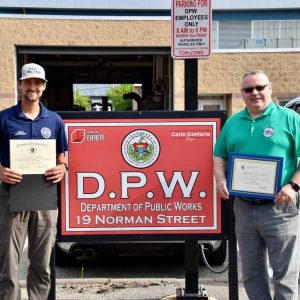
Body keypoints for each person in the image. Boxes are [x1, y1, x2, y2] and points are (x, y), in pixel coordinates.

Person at [213, 70, 300, 299]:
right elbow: (219, 154)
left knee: (285, 274)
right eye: (248, 89)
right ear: (242, 94)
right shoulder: (233, 122)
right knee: (251, 273)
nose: (255, 93)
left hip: (280, 207)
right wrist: (220, 179)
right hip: (243, 207)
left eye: (260, 87)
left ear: (270, 88)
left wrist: (293, 186)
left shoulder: (290, 119)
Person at [0, 63, 68, 300]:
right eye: (28, 82)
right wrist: (0, 171)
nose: (33, 87)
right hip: (11, 196)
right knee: (8, 263)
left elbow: (62, 155)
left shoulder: (55, 121)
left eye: (37, 82)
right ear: (20, 85)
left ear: (44, 87)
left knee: (42, 264)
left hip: (44, 197)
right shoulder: (3, 118)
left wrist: (63, 168)